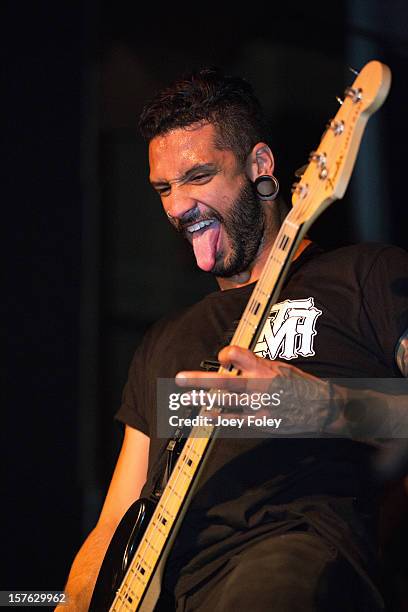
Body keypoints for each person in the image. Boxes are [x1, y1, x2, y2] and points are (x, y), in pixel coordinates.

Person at [60, 67, 408, 611]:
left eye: (197, 177)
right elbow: (111, 527)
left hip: (288, 559)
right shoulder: (164, 341)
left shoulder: (364, 278)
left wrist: (328, 408)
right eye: (163, 188)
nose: (176, 206)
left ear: (259, 166)